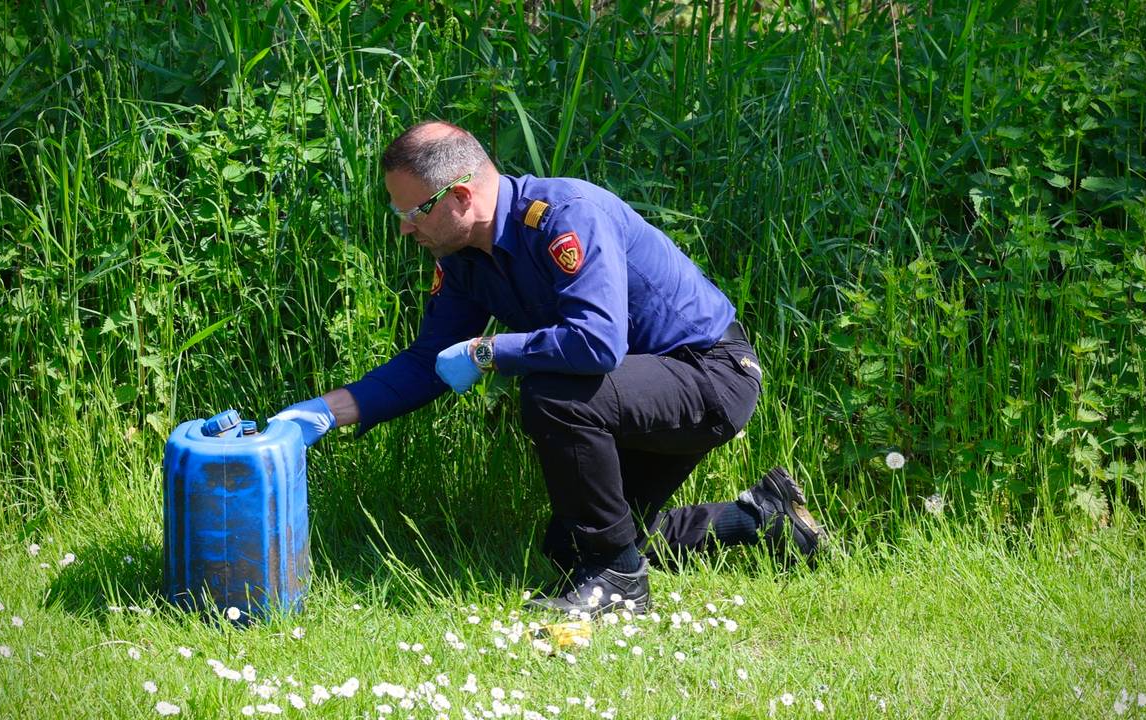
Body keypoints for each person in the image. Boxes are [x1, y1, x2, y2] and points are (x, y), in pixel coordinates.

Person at [270, 121, 824, 615]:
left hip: (709, 373)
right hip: (631, 390)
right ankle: (760, 521)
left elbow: (597, 344)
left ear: (459, 195)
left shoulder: (565, 216)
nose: (404, 229)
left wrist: (489, 351)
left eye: (412, 212)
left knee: (550, 394)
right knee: (573, 547)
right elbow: (426, 362)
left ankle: (619, 583)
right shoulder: (465, 259)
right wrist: (321, 414)